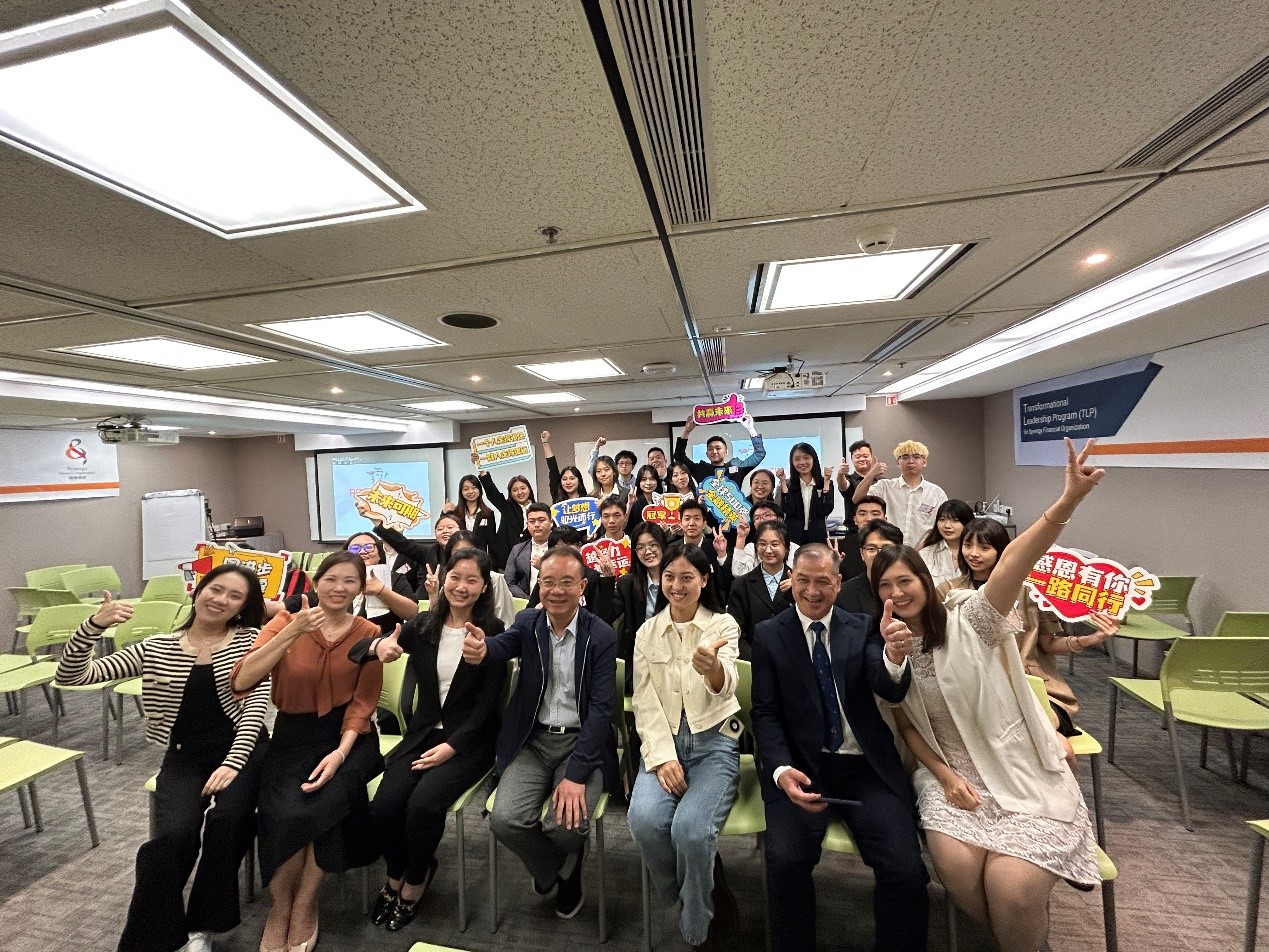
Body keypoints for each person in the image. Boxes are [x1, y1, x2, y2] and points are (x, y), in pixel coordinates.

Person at [881, 438, 1104, 952]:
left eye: (905, 580)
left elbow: (1013, 565)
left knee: (1013, 891)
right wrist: (945, 777)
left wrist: (1066, 502)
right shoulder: (888, 650)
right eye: (885, 587)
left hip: (1016, 766)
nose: (898, 593)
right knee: (962, 876)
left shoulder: (971, 618)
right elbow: (906, 724)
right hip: (947, 775)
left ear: (926, 580)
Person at [55, 567, 269, 952]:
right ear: (197, 592)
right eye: (215, 589)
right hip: (186, 756)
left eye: (234, 596)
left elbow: (255, 706)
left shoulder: (251, 641)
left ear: (243, 607)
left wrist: (233, 763)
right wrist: (93, 626)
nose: (221, 599)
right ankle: (153, 939)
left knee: (227, 822)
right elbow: (74, 676)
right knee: (173, 836)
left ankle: (204, 926)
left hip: (245, 750)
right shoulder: (157, 647)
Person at [751, 544, 929, 952]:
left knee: (905, 869)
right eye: (803, 581)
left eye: (822, 582)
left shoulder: (862, 626)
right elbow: (765, 713)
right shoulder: (769, 635)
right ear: (790, 580)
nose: (812, 591)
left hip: (864, 767)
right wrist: (780, 770)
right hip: (801, 766)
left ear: (838, 583)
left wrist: (894, 657)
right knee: (786, 863)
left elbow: (887, 686)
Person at [230, 552, 385, 952]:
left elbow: (363, 704)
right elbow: (243, 679)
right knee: (283, 811)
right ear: (316, 583)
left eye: (349, 581)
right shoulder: (286, 621)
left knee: (328, 805)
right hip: (292, 735)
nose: (339, 588)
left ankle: (305, 903)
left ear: (361, 588)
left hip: (349, 738)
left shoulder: (368, 632)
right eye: (331, 579)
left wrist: (340, 754)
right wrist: (291, 632)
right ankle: (280, 907)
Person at [355, 547, 508, 932]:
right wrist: (379, 646)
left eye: (472, 580)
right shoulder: (424, 625)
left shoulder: (493, 632)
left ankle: (416, 880)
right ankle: (396, 874)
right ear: (443, 578)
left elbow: (488, 705)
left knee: (422, 806)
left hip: (469, 741)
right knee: (385, 807)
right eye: (455, 577)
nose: (461, 587)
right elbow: (360, 650)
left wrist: (451, 747)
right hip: (422, 735)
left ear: (483, 587)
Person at [461, 546, 619, 919]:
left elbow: (601, 710)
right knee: (505, 820)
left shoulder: (599, 635)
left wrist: (577, 775)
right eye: (548, 582)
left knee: (566, 825)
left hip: (581, 743)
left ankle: (563, 857)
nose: (556, 590)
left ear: (582, 586)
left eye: (566, 582)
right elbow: (504, 645)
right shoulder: (529, 622)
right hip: (533, 741)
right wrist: (484, 649)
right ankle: (560, 869)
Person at [628, 541, 742, 950]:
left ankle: (696, 927)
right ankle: (690, 896)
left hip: (714, 744)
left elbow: (728, 683)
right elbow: (644, 701)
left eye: (687, 577)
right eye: (669, 577)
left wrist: (713, 670)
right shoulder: (647, 632)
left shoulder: (722, 626)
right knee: (643, 821)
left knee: (691, 831)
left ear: (704, 580)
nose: (676, 586)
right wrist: (662, 759)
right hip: (665, 742)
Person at [950, 518, 1119, 735]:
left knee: (1044, 736)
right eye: (968, 545)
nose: (974, 553)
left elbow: (1048, 644)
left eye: (984, 547)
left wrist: (1092, 639)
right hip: (972, 687)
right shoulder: (949, 592)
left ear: (1003, 551)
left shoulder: (1029, 592)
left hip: (1030, 685)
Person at [852, 440, 948, 545]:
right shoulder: (884, 486)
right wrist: (871, 474)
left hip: (925, 551)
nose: (910, 461)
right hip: (889, 550)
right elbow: (857, 499)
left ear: (924, 462)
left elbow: (941, 526)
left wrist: (921, 550)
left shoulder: (936, 493)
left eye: (916, 457)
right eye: (905, 457)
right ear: (898, 462)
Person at [728, 519, 794, 660]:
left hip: (793, 660)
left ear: (786, 548)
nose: (768, 550)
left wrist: (797, 593)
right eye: (762, 544)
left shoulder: (801, 583)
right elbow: (736, 632)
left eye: (775, 544)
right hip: (753, 660)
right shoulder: (741, 585)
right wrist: (756, 660)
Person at [616, 523, 668, 690]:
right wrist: (607, 579)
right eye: (641, 547)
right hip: (639, 661)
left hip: (672, 657)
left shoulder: (677, 581)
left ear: (663, 545)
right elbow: (606, 615)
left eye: (653, 544)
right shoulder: (627, 584)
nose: (648, 551)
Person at [674, 413, 767, 497]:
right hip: (705, 510)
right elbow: (679, 456)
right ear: (707, 454)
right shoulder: (700, 469)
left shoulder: (737, 467)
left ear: (726, 451)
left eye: (718, 448)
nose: (714, 451)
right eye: (710, 449)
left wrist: (751, 429)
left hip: (732, 510)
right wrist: (686, 431)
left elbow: (759, 454)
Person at [344, 531, 420, 633]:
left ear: (379, 554)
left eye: (369, 547)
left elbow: (412, 613)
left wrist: (382, 591)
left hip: (384, 638)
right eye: (355, 548)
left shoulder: (394, 578)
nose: (362, 551)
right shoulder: (338, 579)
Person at [474, 452, 536, 570]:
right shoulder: (507, 507)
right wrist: (481, 470)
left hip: (530, 562)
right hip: (505, 562)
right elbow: (493, 493)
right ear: (511, 494)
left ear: (529, 490)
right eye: (515, 490)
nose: (520, 492)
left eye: (523, 488)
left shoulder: (538, 509)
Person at [836, 520, 904, 617]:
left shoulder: (911, 587)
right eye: (871, 549)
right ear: (862, 554)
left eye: (887, 548)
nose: (879, 555)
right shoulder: (843, 594)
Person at [778, 443, 835, 545]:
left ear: (814, 459)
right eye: (797, 459)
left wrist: (826, 482)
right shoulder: (787, 484)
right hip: (793, 537)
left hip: (817, 537)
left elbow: (826, 509)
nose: (802, 462)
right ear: (792, 462)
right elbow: (788, 509)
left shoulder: (824, 483)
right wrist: (782, 481)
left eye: (806, 458)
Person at [917, 499, 975, 587]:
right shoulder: (925, 553)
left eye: (955, 520)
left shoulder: (976, 553)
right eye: (942, 519)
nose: (947, 526)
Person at [506, 502, 555, 600]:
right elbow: (509, 582)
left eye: (541, 520)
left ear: (551, 523)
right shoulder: (517, 550)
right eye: (532, 521)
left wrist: (543, 568)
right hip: (526, 603)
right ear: (527, 525)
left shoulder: (560, 548)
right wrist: (529, 601)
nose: (536, 525)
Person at [836, 495, 887, 581]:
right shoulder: (840, 548)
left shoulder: (894, 546)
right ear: (855, 520)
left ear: (885, 519)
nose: (869, 519)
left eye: (875, 514)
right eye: (863, 514)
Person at [835, 440, 876, 527]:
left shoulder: (881, 481)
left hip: (878, 528)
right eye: (857, 457)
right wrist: (840, 474)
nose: (862, 459)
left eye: (865, 456)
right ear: (852, 459)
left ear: (871, 457)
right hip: (854, 529)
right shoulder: (849, 479)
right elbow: (843, 485)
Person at [456, 474, 497, 554]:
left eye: (474, 488)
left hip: (480, 557)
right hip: (459, 556)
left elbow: (492, 543)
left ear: (480, 490)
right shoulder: (456, 513)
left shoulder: (488, 514)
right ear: (461, 492)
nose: (470, 491)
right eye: (466, 489)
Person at [542, 430, 587, 502]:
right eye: (564, 479)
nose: (568, 482)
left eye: (572, 478)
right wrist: (545, 443)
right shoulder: (557, 497)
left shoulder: (587, 499)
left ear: (579, 481)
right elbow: (553, 468)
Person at [626, 464, 665, 531]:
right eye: (644, 479)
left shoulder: (663, 500)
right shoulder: (633, 500)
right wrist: (629, 504)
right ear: (639, 482)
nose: (648, 483)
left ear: (657, 481)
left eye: (652, 479)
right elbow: (624, 524)